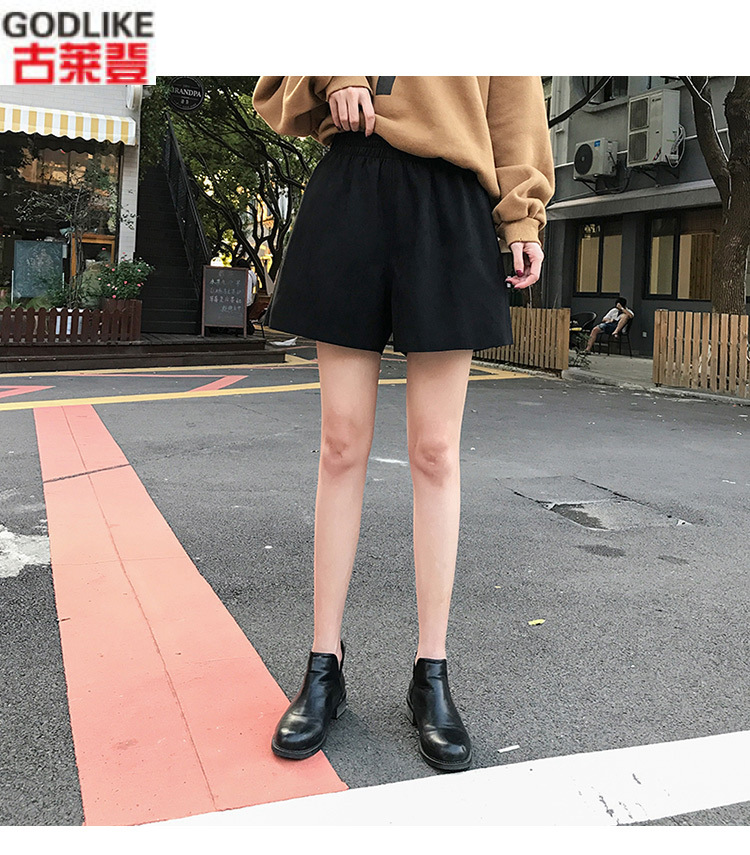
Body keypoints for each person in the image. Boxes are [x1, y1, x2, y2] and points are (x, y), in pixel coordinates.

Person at [252, 76, 555, 773]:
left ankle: (431, 671)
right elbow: (278, 82)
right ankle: (323, 664)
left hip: (451, 195)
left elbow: (513, 101)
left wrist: (522, 217)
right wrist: (338, 74)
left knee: (436, 450)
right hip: (353, 182)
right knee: (340, 443)